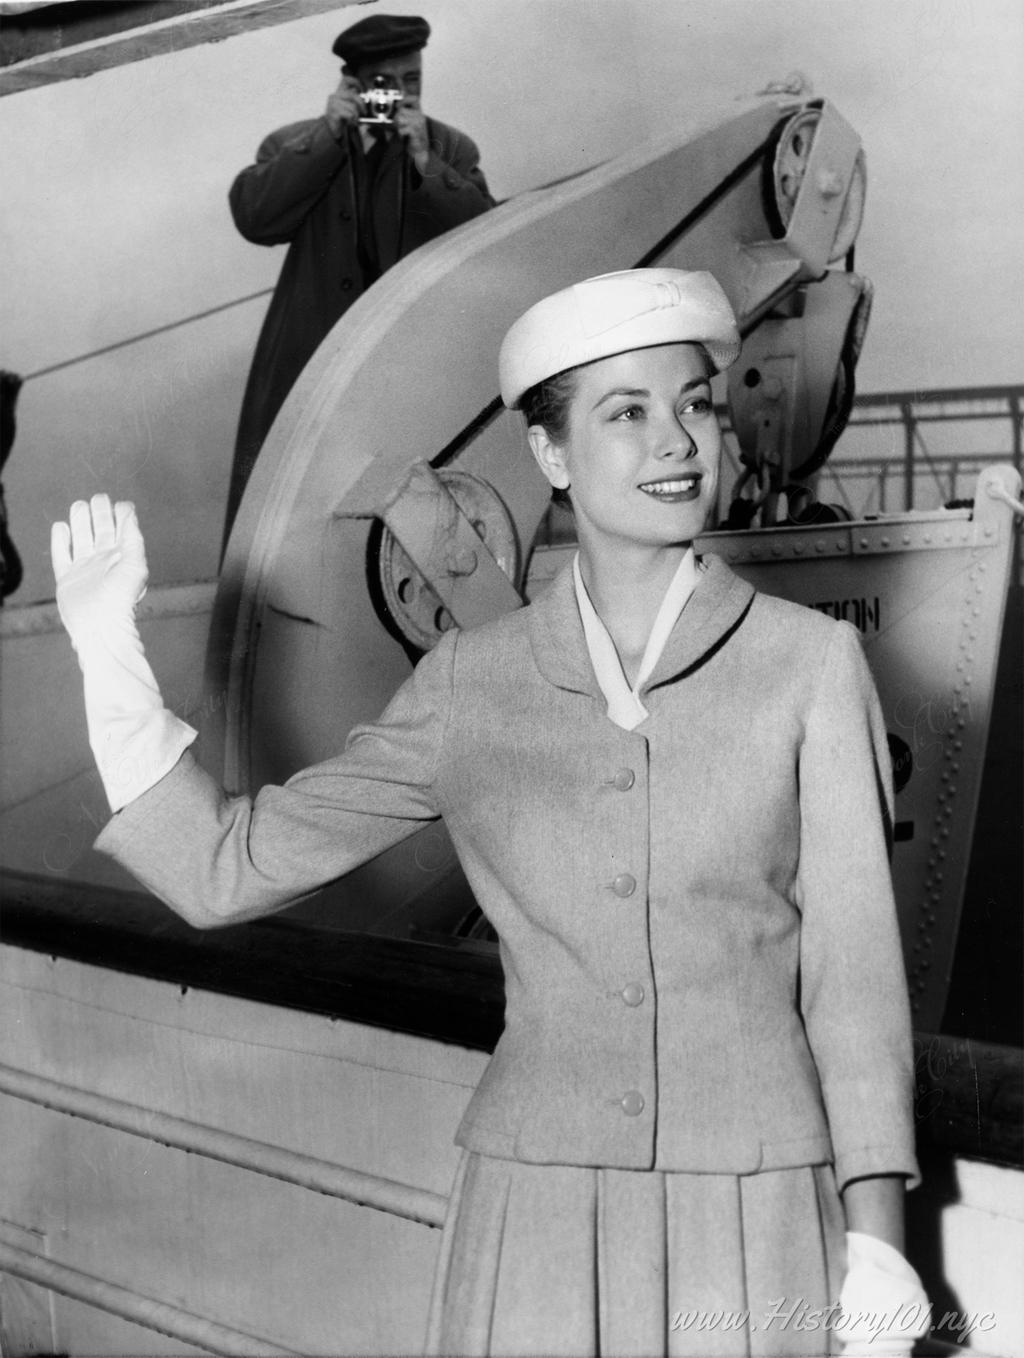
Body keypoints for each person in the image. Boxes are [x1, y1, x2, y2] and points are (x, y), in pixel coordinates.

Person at [51, 268, 930, 1357]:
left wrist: (879, 1250)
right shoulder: (472, 684)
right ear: (550, 455)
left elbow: (853, 986)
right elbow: (225, 867)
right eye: (627, 412)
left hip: (751, 1209)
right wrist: (107, 658)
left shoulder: (809, 665)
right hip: (535, 1211)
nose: (678, 441)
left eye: (693, 402)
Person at [223, 12, 494, 542]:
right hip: (312, 370)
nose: (399, 95)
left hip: (410, 368)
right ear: (353, 83)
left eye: (411, 81)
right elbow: (255, 218)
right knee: (298, 523)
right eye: (383, 85)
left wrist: (425, 161)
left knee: (412, 520)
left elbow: (481, 241)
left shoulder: (451, 149)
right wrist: (327, 136)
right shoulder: (294, 142)